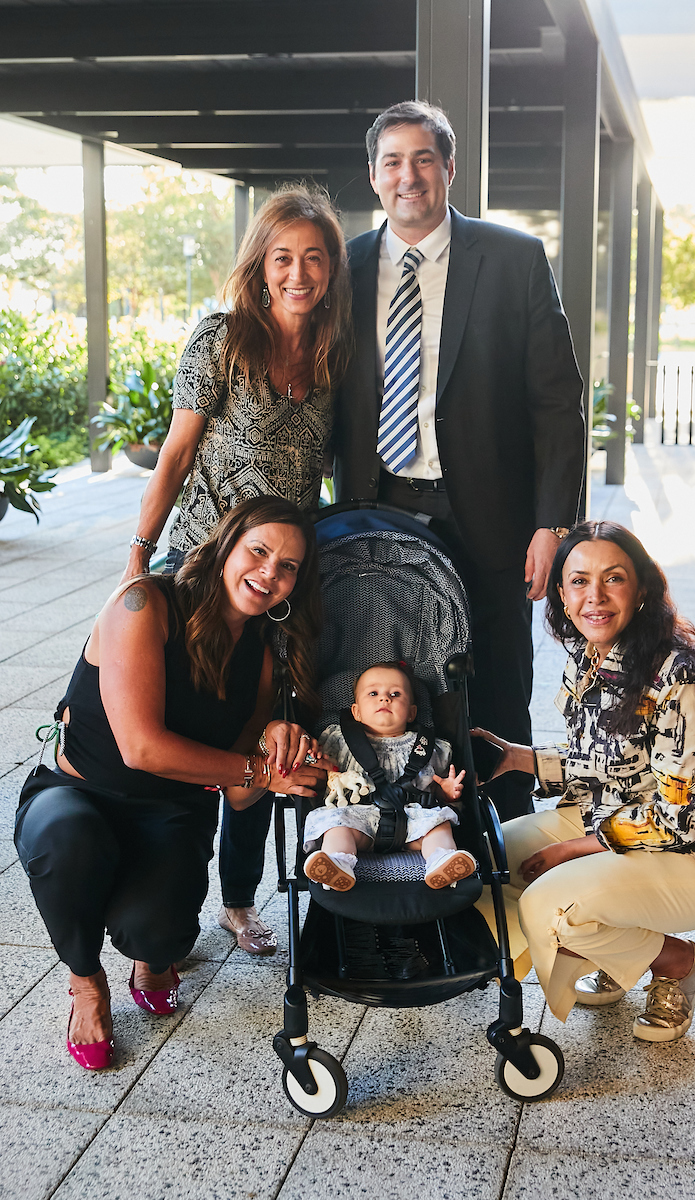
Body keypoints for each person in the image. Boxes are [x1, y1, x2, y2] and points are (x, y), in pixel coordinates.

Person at [332, 100, 586, 821]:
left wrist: (552, 525)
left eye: (422, 159)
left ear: (448, 168)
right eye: (392, 161)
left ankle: (506, 852)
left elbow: (557, 403)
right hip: (374, 511)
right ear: (373, 176)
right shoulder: (342, 269)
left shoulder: (513, 258)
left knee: (500, 681)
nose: (407, 175)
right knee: (380, 680)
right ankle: (386, 840)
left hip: (490, 515)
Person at [14, 497, 327, 1070]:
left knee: (158, 937)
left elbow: (238, 793)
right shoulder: (145, 602)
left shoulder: (262, 656)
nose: (269, 574)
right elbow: (141, 747)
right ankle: (86, 984)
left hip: (171, 812)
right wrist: (255, 769)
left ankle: (149, 957)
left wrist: (275, 753)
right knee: (67, 841)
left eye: (288, 568)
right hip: (77, 794)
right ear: (224, 547)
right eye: (259, 552)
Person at [121, 185, 351, 956]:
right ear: (260, 265)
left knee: (265, 728)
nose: (298, 273)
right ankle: (154, 880)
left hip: (282, 579)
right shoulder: (221, 338)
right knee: (185, 716)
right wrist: (136, 558)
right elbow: (176, 455)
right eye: (283, 257)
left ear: (330, 271)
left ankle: (240, 900)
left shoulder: (333, 356)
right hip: (202, 567)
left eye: (313, 258)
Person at [473, 520, 695, 1042]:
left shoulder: (680, 679)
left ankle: (676, 963)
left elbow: (682, 818)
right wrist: (518, 759)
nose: (594, 597)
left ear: (642, 587)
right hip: (605, 817)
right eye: (578, 581)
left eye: (613, 578)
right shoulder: (588, 655)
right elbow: (603, 761)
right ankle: (616, 942)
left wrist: (573, 850)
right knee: (479, 861)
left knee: (546, 902)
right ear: (560, 592)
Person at [303, 662, 476, 891]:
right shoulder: (338, 741)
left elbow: (436, 791)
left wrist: (447, 792)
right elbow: (322, 768)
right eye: (373, 693)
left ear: (412, 712)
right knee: (336, 826)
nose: (384, 699)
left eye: (395, 694)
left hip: (412, 821)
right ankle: (338, 863)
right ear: (356, 711)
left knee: (439, 824)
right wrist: (311, 755)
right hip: (357, 818)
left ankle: (442, 861)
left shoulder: (429, 747)